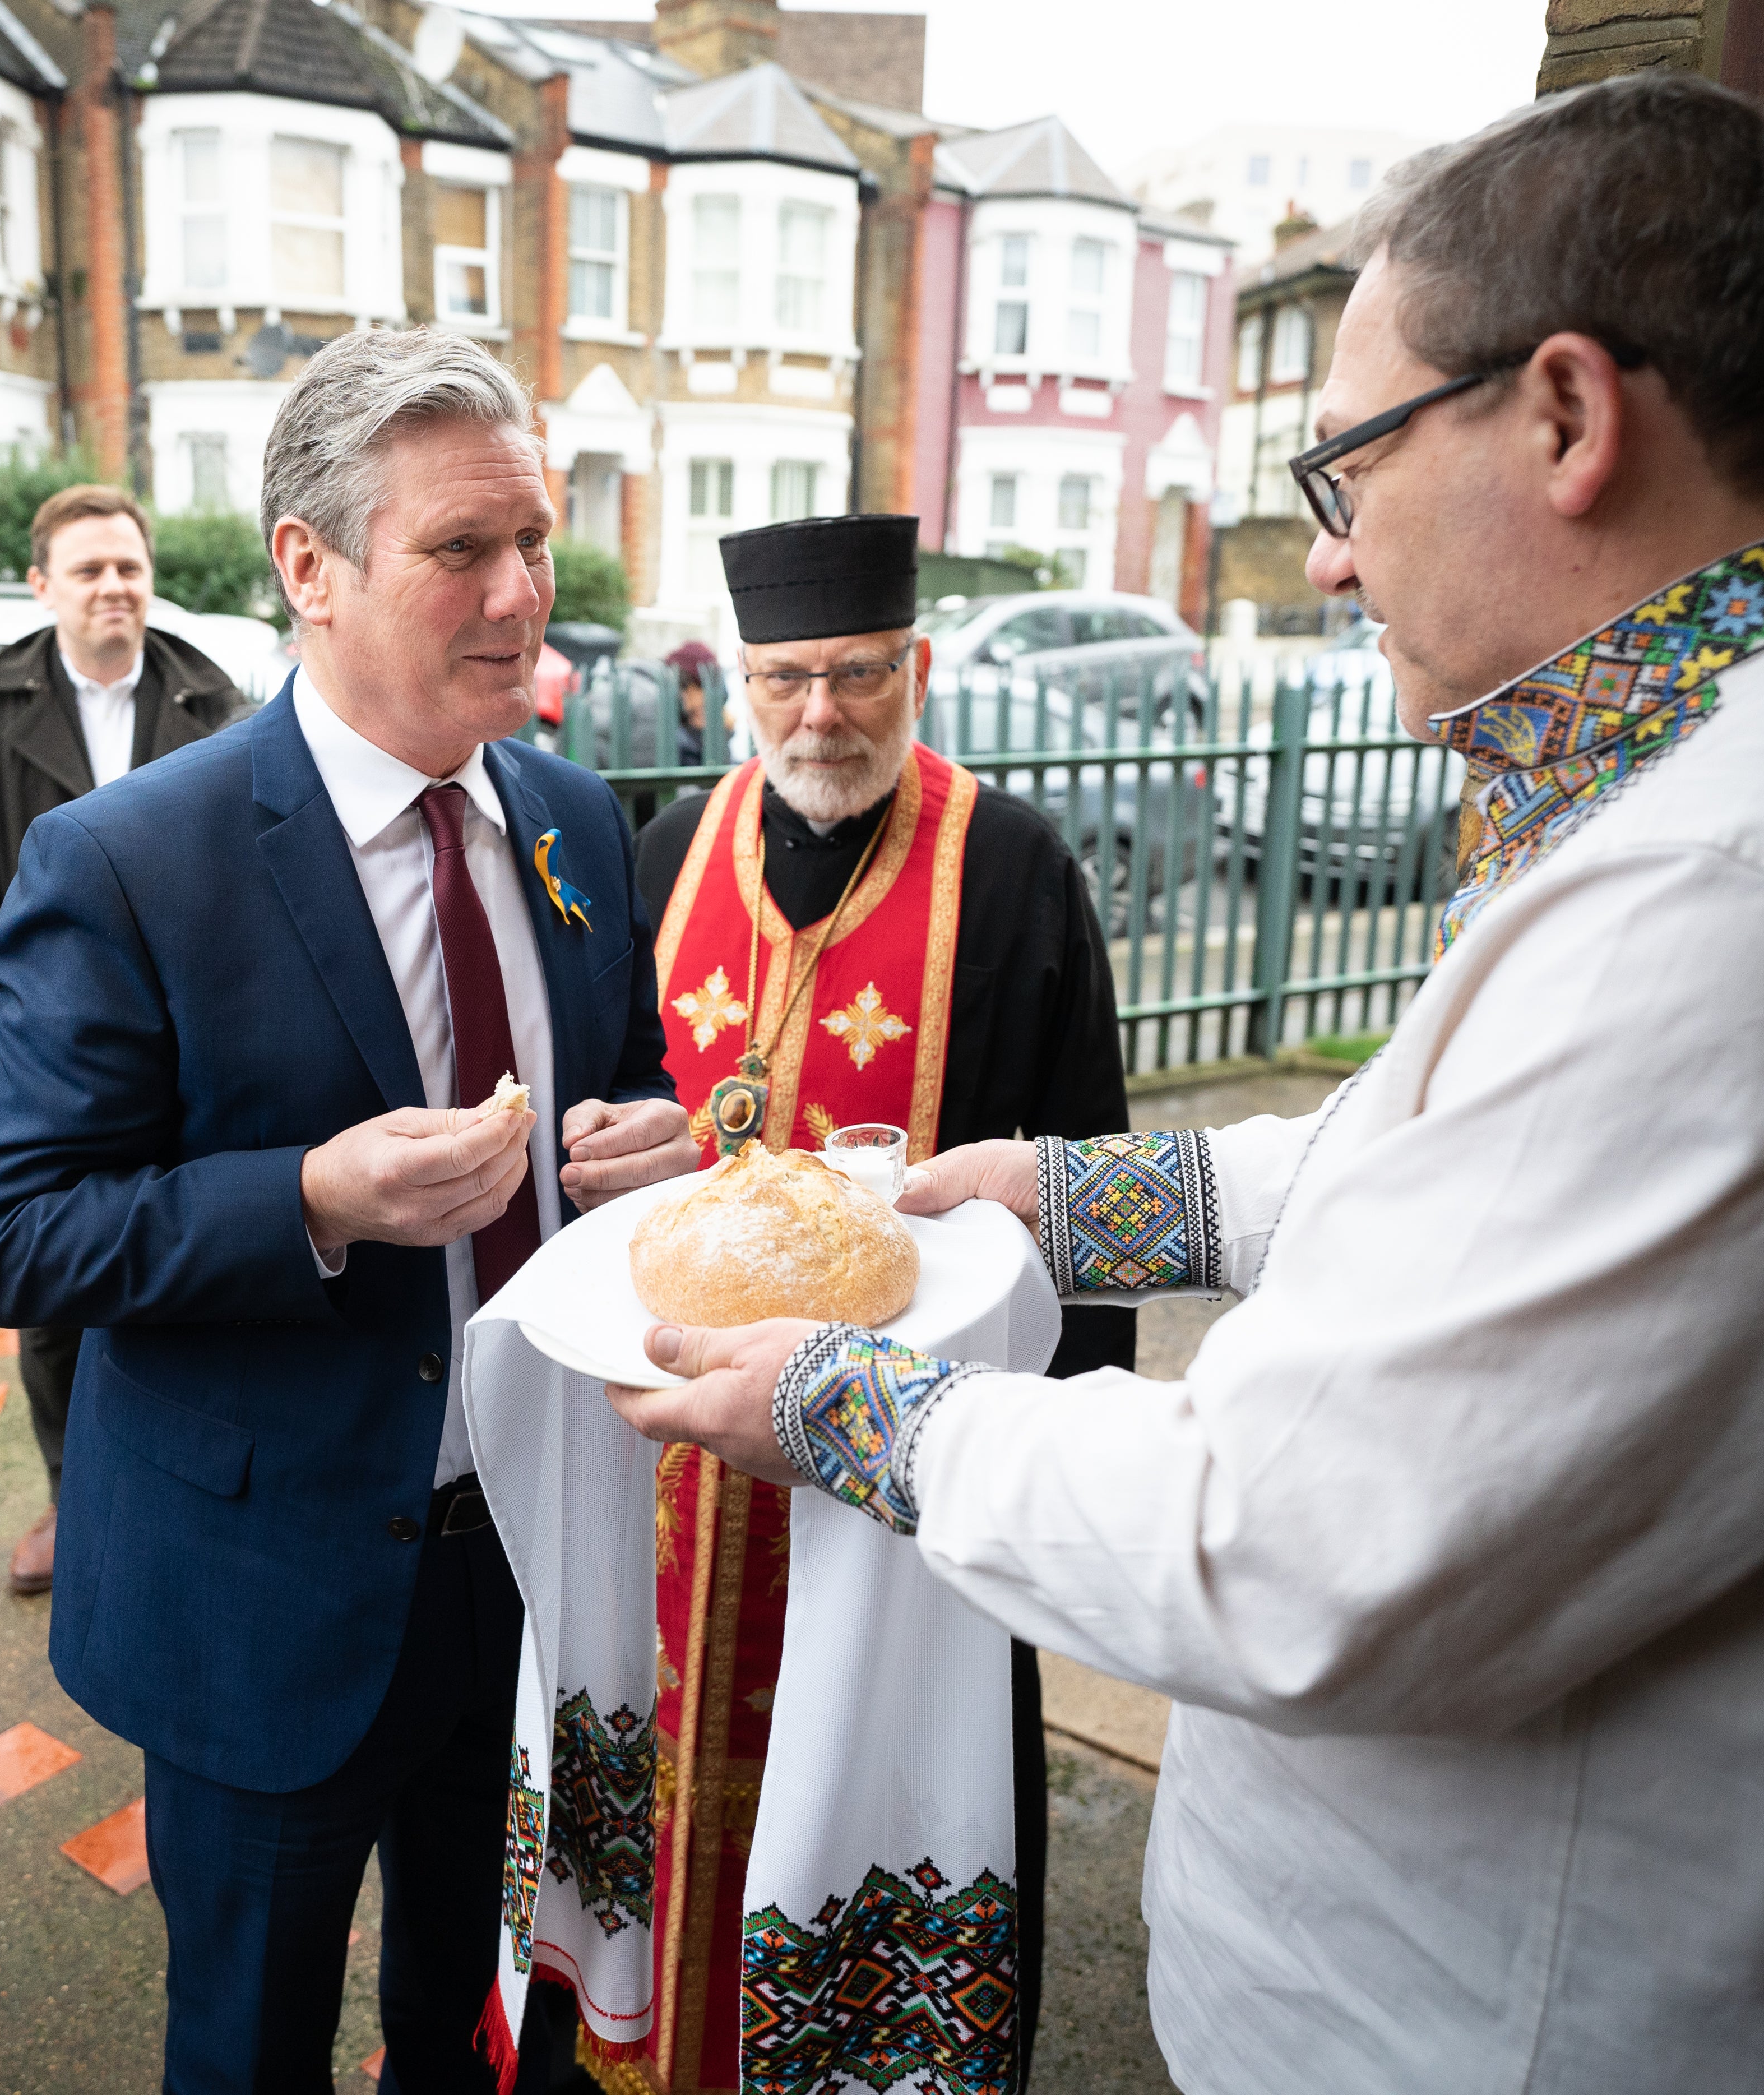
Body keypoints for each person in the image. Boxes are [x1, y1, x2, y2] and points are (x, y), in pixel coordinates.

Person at [604, 72, 1764, 2093]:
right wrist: (1084, 1195)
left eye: (1343, 468)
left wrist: (834, 1401)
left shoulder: (1743, 886)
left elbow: (1278, 1546)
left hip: (1537, 2015)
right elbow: (1484, 1171)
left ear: (1563, 416)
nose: (1318, 562)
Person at [0, 329, 699, 2092]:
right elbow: (15, 1232)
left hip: (525, 1554)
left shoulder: (580, 821)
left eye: (535, 541)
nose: (524, 595)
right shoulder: (134, 855)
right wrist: (304, 1199)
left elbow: (629, 1084)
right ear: (308, 566)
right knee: (251, 2043)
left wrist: (655, 1149)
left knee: (472, 2015)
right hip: (264, 1590)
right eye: (462, 550)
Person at [613, 512, 1133, 2093]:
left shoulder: (1019, 872)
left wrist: (1060, 1466)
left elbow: (1084, 1181)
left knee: (884, 1768)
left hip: (919, 1471)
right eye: (782, 679)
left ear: (912, 667)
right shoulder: (665, 856)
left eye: (852, 675)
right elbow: (631, 1119)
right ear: (739, 681)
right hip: (687, 1473)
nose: (817, 715)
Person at [0, 482, 243, 1595]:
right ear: (42, 584)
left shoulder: (211, 701)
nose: (113, 588)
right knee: (51, 1286)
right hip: (33, 1044)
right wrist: (39, 963)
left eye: (129, 568)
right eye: (89, 570)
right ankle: (69, 1498)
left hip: (190, 1039)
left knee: (182, 1251)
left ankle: (180, 1482)